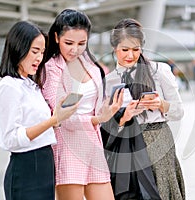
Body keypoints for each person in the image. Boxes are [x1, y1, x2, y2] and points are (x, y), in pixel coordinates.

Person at [0, 21, 78, 200]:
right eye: (34, 51)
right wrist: (53, 121)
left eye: (42, 52)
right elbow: (12, 139)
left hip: (45, 164)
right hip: (27, 167)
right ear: (18, 48)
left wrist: (58, 118)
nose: (39, 58)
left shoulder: (31, 86)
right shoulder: (9, 87)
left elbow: (38, 127)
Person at [41, 9, 122, 200]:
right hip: (67, 144)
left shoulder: (92, 66)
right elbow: (60, 115)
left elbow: (96, 105)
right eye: (69, 43)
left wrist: (108, 110)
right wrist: (95, 119)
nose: (75, 49)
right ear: (56, 37)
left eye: (81, 43)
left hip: (93, 142)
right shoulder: (51, 68)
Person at [101, 18, 185, 200]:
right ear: (115, 48)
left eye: (135, 49)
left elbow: (179, 111)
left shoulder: (159, 71)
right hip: (126, 144)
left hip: (158, 139)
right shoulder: (109, 81)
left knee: (160, 191)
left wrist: (161, 104)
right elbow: (106, 123)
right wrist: (124, 117)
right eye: (125, 50)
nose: (130, 55)